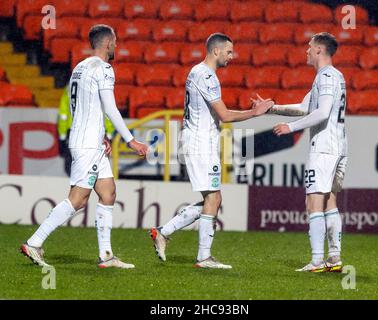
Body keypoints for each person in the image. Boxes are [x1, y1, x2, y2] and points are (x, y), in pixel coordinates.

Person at [21, 24, 148, 269]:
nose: (117, 46)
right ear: (108, 43)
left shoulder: (80, 67)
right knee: (78, 200)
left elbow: (77, 105)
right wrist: (130, 140)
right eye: (116, 41)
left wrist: (101, 134)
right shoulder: (105, 69)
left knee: (108, 192)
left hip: (89, 140)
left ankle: (106, 255)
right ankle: (34, 242)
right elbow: (110, 108)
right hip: (88, 144)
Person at [150, 33, 274, 269]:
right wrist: (254, 113)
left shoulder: (198, 72)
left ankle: (164, 232)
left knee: (211, 199)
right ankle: (203, 257)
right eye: (229, 51)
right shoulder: (206, 75)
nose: (232, 56)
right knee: (213, 198)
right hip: (200, 143)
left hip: (197, 140)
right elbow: (225, 115)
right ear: (216, 51)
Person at [254, 32, 347, 273]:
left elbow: (323, 112)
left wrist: (290, 128)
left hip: (324, 147)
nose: (306, 51)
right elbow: (306, 107)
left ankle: (316, 261)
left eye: (309, 47)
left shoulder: (326, 76)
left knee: (313, 201)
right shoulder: (331, 77)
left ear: (319, 50)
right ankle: (334, 258)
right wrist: (271, 109)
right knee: (329, 200)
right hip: (337, 146)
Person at [57, 85, 115, 176]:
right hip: (94, 131)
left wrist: (62, 135)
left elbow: (63, 114)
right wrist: (109, 133)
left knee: (73, 167)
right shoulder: (99, 87)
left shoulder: (70, 86)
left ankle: (78, 187)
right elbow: (107, 112)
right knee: (94, 166)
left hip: (74, 131)